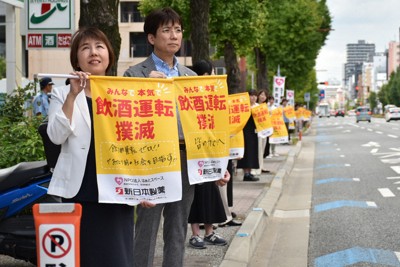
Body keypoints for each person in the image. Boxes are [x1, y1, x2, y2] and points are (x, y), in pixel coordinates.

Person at [123, 8, 230, 267]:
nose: (174, 36)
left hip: (185, 158)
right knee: (146, 226)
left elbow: (205, 126)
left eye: (178, 30)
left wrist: (216, 165)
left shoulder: (191, 77)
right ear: (151, 38)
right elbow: (127, 122)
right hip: (152, 160)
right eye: (166, 30)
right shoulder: (135, 75)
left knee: (178, 226)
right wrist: (147, 89)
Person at [46, 27, 153, 267]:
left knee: (118, 257)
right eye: (85, 48)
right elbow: (55, 136)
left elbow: (139, 142)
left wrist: (146, 185)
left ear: (109, 54)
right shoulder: (62, 93)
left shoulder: (126, 93)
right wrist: (73, 97)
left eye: (99, 46)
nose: (93, 53)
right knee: (84, 257)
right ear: (76, 59)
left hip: (118, 189)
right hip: (80, 190)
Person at [187, 59, 228, 249]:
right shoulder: (189, 94)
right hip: (193, 151)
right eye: (210, 73)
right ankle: (196, 235)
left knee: (210, 192)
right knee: (194, 194)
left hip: (209, 149)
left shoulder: (213, 97)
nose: (212, 77)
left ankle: (210, 232)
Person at [236, 89, 260, 182]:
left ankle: (250, 172)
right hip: (244, 132)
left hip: (254, 132)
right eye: (251, 95)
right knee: (246, 153)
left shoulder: (258, 107)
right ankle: (246, 173)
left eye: (255, 95)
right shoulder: (243, 107)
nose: (253, 97)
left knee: (252, 152)